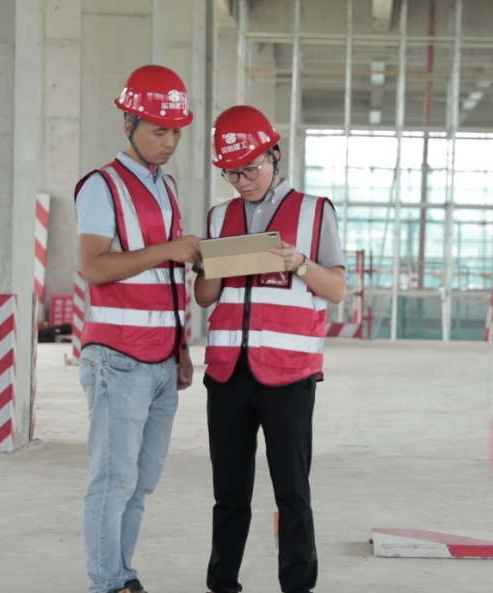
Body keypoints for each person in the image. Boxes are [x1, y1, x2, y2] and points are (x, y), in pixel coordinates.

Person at [195, 105, 348, 593]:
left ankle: (297, 587)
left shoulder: (315, 211)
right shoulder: (219, 217)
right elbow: (204, 297)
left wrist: (299, 262)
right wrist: (210, 266)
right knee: (229, 495)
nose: (242, 182)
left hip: (288, 375)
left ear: (274, 155)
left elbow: (336, 288)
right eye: (231, 173)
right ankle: (222, 584)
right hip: (227, 374)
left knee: (292, 493)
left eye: (250, 169)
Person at [74, 64, 200, 593]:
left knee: (141, 484)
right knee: (113, 481)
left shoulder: (166, 187)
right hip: (118, 359)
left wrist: (182, 349)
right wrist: (169, 248)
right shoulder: (101, 187)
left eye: (176, 132)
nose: (169, 141)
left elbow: (168, 280)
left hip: (161, 360)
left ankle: (123, 574)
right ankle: (106, 583)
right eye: (159, 130)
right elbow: (95, 267)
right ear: (129, 124)